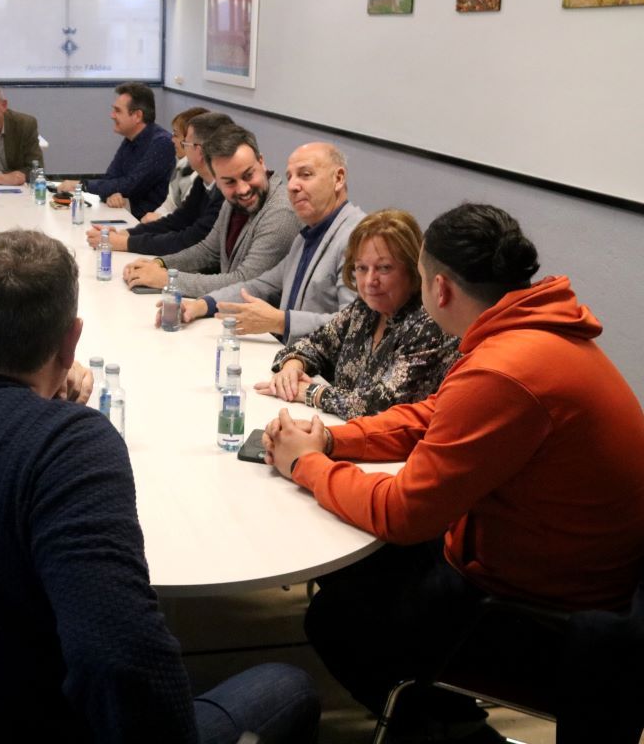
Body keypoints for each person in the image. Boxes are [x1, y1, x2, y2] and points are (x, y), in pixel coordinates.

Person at [0, 230, 321, 744]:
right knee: (289, 686)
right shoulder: (72, 445)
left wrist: (43, 411)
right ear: (72, 341)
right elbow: (122, 662)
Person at [263, 203, 644, 743]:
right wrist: (332, 437)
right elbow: (436, 415)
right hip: (579, 570)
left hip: (539, 606)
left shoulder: (504, 369)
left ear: (438, 288)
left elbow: (403, 513)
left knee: (336, 620)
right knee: (355, 567)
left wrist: (307, 465)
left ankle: (455, 733)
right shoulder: (534, 331)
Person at [256, 210, 459, 420]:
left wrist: (311, 393)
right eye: (361, 268)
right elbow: (315, 343)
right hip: (341, 433)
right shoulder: (366, 308)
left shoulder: (429, 325)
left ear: (412, 268)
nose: (370, 280)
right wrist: (292, 366)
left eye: (384, 268)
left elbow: (380, 406)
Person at [168, 142, 365, 343]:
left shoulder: (358, 239)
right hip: (294, 361)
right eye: (290, 177)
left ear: (338, 178)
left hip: (320, 372)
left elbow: (354, 326)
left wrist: (281, 322)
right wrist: (201, 305)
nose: (293, 186)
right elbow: (261, 286)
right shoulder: (310, 233)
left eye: (305, 175)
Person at [123, 125, 300, 295]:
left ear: (261, 162)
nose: (243, 189)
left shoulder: (281, 212)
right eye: (229, 182)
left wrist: (168, 279)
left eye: (248, 175)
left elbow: (246, 282)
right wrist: (159, 264)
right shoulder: (232, 202)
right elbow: (208, 251)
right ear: (217, 180)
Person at [84, 111, 232, 257]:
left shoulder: (224, 193)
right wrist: (124, 234)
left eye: (185, 142)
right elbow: (177, 220)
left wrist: (125, 242)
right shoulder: (203, 181)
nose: (176, 142)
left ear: (199, 151)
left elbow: (189, 240)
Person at [58, 82, 175, 218]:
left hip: (148, 224)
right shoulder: (130, 139)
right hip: (125, 214)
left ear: (137, 116)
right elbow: (111, 179)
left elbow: (131, 185)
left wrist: (81, 185)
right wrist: (111, 193)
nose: (112, 116)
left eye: (118, 111)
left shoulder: (162, 143)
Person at [138, 105, 210, 222]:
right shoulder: (182, 165)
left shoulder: (199, 176)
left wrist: (158, 220)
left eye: (176, 135)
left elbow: (187, 221)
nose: (172, 140)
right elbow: (169, 204)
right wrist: (150, 220)